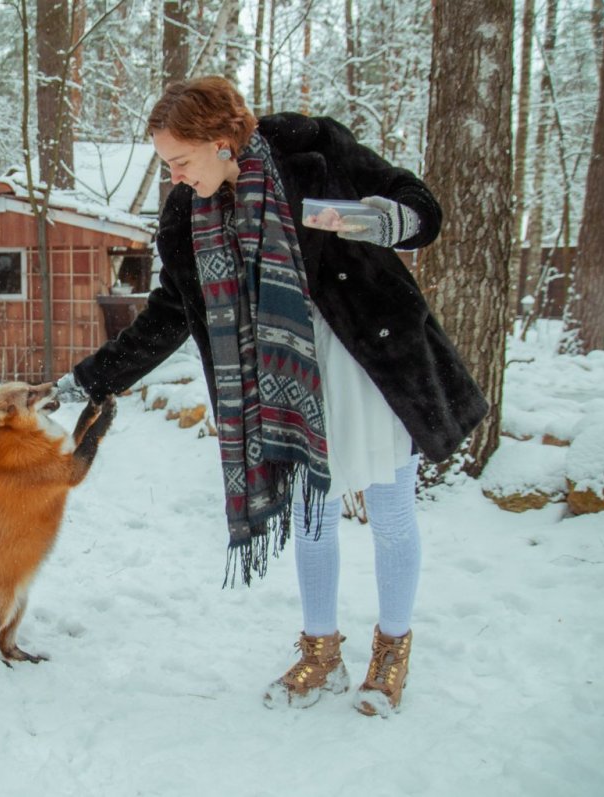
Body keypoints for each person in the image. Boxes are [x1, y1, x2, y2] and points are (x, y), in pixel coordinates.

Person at [63, 76, 487, 716]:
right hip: (278, 381)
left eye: (180, 161)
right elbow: (172, 311)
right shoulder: (186, 214)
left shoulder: (312, 149)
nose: (174, 177)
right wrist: (91, 377)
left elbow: (418, 203)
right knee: (311, 515)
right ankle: (321, 651)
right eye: (166, 165)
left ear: (223, 140)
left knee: (392, 512)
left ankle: (392, 650)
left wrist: (383, 221)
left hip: (367, 360)